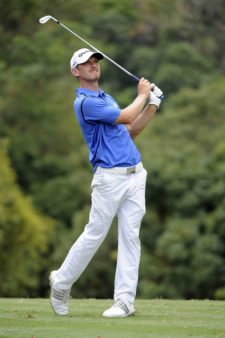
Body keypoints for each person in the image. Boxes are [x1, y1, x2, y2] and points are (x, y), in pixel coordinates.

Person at [49, 48, 163, 318]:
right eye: (85, 63)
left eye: (94, 61)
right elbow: (125, 116)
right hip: (109, 178)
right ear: (75, 72)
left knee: (130, 237)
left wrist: (153, 105)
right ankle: (61, 283)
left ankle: (125, 301)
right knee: (95, 234)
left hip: (136, 174)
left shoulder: (105, 98)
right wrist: (143, 95)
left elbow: (131, 130)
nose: (92, 65)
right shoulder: (86, 102)